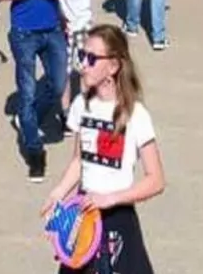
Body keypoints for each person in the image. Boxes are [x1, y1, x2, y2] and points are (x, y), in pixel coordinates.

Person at [41, 25, 165, 274]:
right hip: (83, 217)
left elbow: (156, 180)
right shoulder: (81, 105)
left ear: (113, 66)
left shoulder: (135, 114)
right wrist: (58, 193)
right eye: (81, 56)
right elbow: (79, 161)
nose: (83, 64)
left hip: (118, 219)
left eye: (91, 58)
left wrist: (110, 199)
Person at [0, 0, 70, 182]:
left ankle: (30, 119)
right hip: (25, 31)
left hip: (53, 26)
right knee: (26, 93)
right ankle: (34, 152)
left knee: (59, 82)